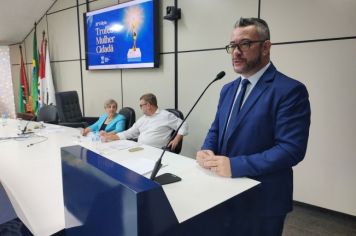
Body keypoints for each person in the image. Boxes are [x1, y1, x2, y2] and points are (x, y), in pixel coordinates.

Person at [196, 17, 311, 236]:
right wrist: (206, 149)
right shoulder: (227, 89)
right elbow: (217, 129)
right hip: (222, 193)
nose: (236, 52)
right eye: (232, 45)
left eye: (245, 44)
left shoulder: (289, 90)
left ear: (266, 47)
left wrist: (235, 166)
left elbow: (291, 149)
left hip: (262, 200)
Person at [101, 93, 188, 150]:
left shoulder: (165, 115)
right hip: (140, 149)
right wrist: (110, 137)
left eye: (141, 106)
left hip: (156, 151)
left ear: (148, 105)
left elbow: (183, 125)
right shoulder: (143, 118)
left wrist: (177, 138)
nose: (140, 108)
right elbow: (129, 133)